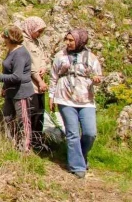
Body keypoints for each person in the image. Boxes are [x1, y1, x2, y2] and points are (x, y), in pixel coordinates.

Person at [49, 29, 103, 178]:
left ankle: (81, 155)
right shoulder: (60, 56)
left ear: (80, 41)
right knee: (72, 133)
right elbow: (53, 77)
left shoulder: (91, 57)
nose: (68, 42)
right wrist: (51, 96)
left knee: (90, 133)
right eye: (66, 39)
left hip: (86, 99)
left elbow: (98, 76)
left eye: (71, 40)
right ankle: (77, 166)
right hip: (65, 97)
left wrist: (97, 80)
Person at [0, 26, 35, 152]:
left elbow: (17, 76)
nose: (3, 40)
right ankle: (11, 143)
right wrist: (4, 87)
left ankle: (25, 147)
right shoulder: (11, 50)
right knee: (7, 117)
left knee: (23, 119)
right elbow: (7, 69)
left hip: (21, 92)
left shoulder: (20, 53)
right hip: (10, 91)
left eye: (5, 38)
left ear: (10, 38)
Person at [18, 17, 49, 150]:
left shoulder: (36, 42)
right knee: (31, 113)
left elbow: (42, 58)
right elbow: (28, 65)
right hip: (30, 84)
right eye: (38, 31)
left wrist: (44, 66)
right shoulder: (23, 43)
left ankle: (37, 142)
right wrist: (40, 80)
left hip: (39, 83)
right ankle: (27, 142)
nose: (39, 34)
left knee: (39, 112)